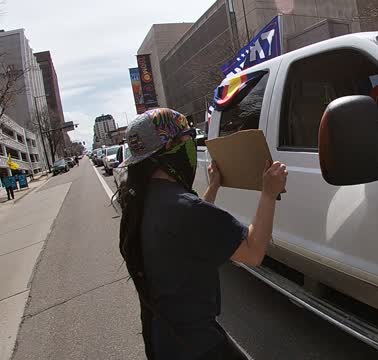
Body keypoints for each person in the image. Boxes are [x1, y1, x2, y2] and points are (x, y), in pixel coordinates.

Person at [117, 108, 287, 360]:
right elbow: (253, 251)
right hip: (197, 345)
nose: (191, 147)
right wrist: (269, 193)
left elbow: (189, 230)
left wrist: (213, 188)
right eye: (187, 139)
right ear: (171, 148)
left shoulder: (140, 200)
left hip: (163, 337)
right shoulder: (184, 208)